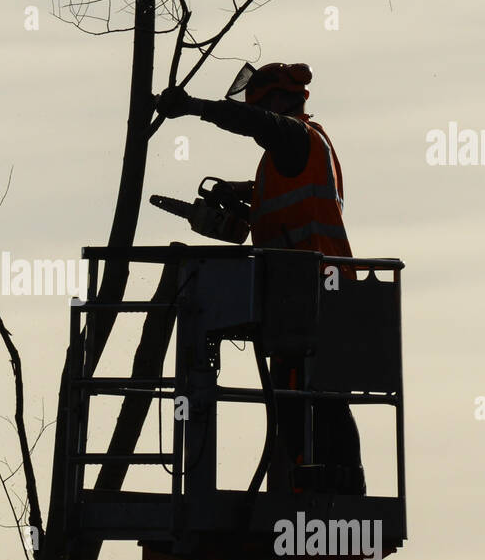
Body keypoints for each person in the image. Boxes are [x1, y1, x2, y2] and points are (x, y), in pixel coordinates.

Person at [155, 62, 364, 496]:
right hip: (302, 293)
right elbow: (280, 214)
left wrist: (193, 107)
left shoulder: (295, 136)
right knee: (309, 399)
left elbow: (256, 123)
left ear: (276, 99)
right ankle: (321, 485)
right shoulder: (286, 158)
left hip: (314, 291)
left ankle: (321, 490)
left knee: (308, 399)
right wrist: (240, 196)